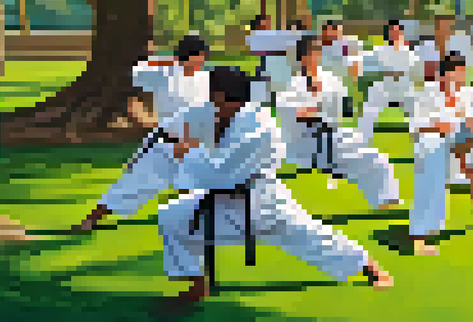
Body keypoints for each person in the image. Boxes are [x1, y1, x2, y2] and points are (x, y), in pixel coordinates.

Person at [158, 66, 392, 303]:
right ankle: (197, 283)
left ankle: (368, 266)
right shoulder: (227, 118)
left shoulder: (257, 126)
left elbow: (222, 173)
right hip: (229, 203)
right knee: (171, 216)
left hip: (264, 205)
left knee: (315, 237)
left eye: (213, 96)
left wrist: (187, 154)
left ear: (225, 97)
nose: (211, 102)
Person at [75, 34, 211, 233]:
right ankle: (91, 219)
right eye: (198, 56)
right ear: (186, 56)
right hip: (165, 144)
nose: (201, 61)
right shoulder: (163, 74)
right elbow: (136, 69)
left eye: (203, 57)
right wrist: (168, 60)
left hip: (195, 145)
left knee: (203, 187)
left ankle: (199, 224)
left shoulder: (206, 79)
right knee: (132, 184)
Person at [274, 35, 401, 206]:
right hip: (309, 141)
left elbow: (341, 107)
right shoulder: (292, 83)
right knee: (367, 158)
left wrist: (322, 101)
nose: (316, 55)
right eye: (312, 52)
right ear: (303, 56)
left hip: (334, 133)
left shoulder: (328, 79)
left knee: (375, 156)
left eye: (318, 51)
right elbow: (292, 112)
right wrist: (315, 104)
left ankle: (385, 198)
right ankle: (384, 199)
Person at [408, 53, 473, 255]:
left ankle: (431, 226)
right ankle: (418, 238)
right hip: (431, 140)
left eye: (462, 73)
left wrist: (465, 128)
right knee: (430, 168)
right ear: (443, 75)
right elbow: (415, 126)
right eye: (456, 73)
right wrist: (438, 126)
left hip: (456, 142)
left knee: (468, 146)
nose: (459, 79)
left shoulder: (465, 96)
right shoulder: (427, 93)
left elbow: (472, 123)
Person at [355, 20, 421, 147]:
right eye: (392, 32)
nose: (395, 35)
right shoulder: (380, 50)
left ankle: (418, 140)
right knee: (370, 104)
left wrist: (401, 74)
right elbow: (365, 65)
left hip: (404, 89)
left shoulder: (410, 53)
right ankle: (362, 139)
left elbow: (417, 73)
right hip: (385, 88)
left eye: (397, 32)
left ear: (402, 33)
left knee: (416, 105)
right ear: (388, 34)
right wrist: (385, 72)